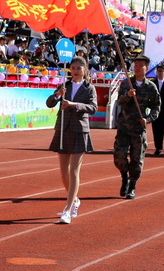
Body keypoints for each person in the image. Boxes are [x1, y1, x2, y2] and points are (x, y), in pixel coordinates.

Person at [46, 57, 97, 224]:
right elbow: (49, 103)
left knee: (74, 170)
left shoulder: (90, 88)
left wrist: (74, 104)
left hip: (79, 130)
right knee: (63, 173)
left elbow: (93, 108)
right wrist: (57, 95)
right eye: (73, 68)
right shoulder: (64, 85)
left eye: (78, 68)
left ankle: (68, 210)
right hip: (63, 129)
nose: (75, 71)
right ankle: (75, 200)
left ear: (85, 70)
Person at [114, 54, 160, 199]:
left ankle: (132, 186)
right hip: (124, 126)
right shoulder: (126, 83)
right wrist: (128, 95)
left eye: (141, 66)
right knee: (119, 157)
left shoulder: (151, 87)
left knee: (137, 159)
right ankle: (124, 177)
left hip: (139, 129)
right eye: (136, 65)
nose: (138, 68)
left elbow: (156, 106)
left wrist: (148, 119)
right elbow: (119, 101)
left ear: (147, 68)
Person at [151, 64, 164, 156]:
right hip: (154, 107)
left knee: (161, 127)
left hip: (163, 107)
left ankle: (160, 147)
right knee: (155, 127)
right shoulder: (152, 82)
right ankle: (157, 146)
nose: (160, 73)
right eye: (159, 71)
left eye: (162, 71)